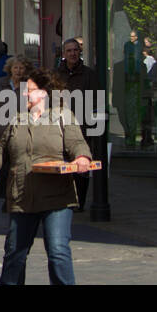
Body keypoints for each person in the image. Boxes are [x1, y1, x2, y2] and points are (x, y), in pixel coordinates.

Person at [0, 68, 92, 285]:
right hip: (22, 196)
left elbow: (77, 143)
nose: (24, 94)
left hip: (56, 197)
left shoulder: (62, 116)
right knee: (15, 253)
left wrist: (82, 158)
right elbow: (0, 149)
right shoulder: (18, 120)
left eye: (30, 91)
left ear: (43, 93)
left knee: (58, 251)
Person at [57, 38, 101, 210]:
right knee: (64, 163)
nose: (73, 53)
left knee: (81, 163)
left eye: (75, 50)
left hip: (82, 125)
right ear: (63, 54)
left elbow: (97, 100)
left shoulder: (89, 74)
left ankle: (79, 201)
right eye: (69, 51)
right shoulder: (56, 74)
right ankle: (65, 197)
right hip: (60, 125)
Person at [0, 56, 33, 147]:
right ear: (10, 69)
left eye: (21, 68)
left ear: (26, 70)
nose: (18, 71)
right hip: (0, 134)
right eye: (15, 67)